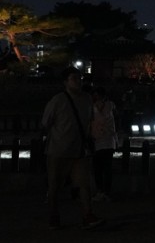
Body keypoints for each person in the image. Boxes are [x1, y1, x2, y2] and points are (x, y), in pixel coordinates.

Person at [41, 67, 103, 230]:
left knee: (84, 184)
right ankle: (54, 216)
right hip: (58, 149)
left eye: (80, 78)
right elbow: (46, 123)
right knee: (54, 185)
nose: (78, 81)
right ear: (65, 82)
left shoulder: (87, 99)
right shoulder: (58, 100)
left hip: (79, 148)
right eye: (74, 78)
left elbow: (89, 121)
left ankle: (87, 215)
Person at [90, 87, 118, 202]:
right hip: (105, 139)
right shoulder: (110, 106)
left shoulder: (93, 107)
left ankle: (102, 191)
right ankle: (104, 192)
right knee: (105, 168)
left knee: (100, 168)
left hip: (101, 139)